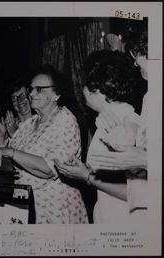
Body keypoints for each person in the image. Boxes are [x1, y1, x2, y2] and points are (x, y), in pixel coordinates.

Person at [0, 68, 88, 224]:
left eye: (39, 89)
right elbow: (8, 161)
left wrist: (11, 152)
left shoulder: (64, 120)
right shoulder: (30, 123)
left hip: (56, 211)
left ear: (56, 94)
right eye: (31, 89)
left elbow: (49, 169)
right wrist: (1, 142)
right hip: (26, 206)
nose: (31, 94)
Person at [54, 50, 142, 223]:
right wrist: (83, 168)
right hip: (106, 215)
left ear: (99, 88)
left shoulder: (128, 120)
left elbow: (135, 192)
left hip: (123, 221)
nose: (83, 89)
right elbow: (112, 171)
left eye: (86, 82)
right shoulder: (105, 121)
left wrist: (87, 176)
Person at [88, 20, 148, 222]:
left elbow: (136, 167)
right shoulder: (105, 119)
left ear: (96, 89)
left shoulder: (126, 114)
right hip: (106, 210)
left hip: (124, 214)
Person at [0, 80, 33, 147]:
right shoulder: (10, 124)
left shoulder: (39, 122)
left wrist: (15, 134)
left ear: (30, 96)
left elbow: (32, 152)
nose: (19, 100)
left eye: (23, 95)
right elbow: (3, 154)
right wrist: (1, 135)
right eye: (14, 98)